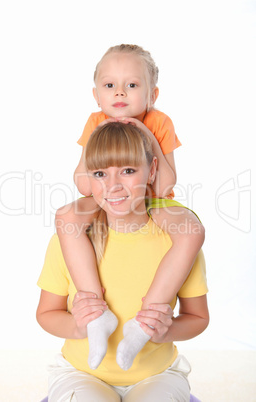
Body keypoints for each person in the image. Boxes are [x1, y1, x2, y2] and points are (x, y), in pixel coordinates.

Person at [55, 44, 205, 370]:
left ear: (152, 94)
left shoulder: (158, 121)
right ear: (97, 95)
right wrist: (100, 153)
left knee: (191, 230)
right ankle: (96, 314)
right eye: (110, 85)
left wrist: (147, 136)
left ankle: (144, 321)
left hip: (150, 200)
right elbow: (84, 183)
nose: (120, 92)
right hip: (107, 199)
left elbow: (163, 185)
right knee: (66, 217)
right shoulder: (96, 121)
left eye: (132, 85)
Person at [37, 122, 209, 402]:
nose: (113, 185)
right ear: (89, 179)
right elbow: (46, 313)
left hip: (156, 374)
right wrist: (77, 327)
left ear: (152, 170)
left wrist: (168, 331)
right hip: (82, 373)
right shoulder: (71, 240)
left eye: (128, 171)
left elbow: (199, 317)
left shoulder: (176, 244)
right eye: (100, 174)